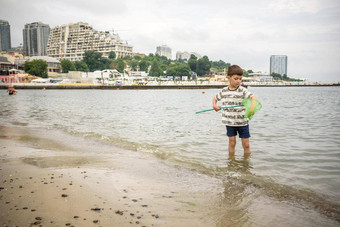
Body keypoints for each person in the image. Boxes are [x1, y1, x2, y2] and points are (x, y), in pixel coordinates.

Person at [212, 65, 257, 155]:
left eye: (240, 79)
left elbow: (254, 98)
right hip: (229, 122)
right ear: (229, 78)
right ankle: (231, 161)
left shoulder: (243, 90)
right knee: (232, 143)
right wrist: (214, 106)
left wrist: (252, 109)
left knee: (246, 145)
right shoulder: (224, 91)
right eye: (236, 79)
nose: (239, 81)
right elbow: (215, 98)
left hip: (242, 122)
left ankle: (246, 165)